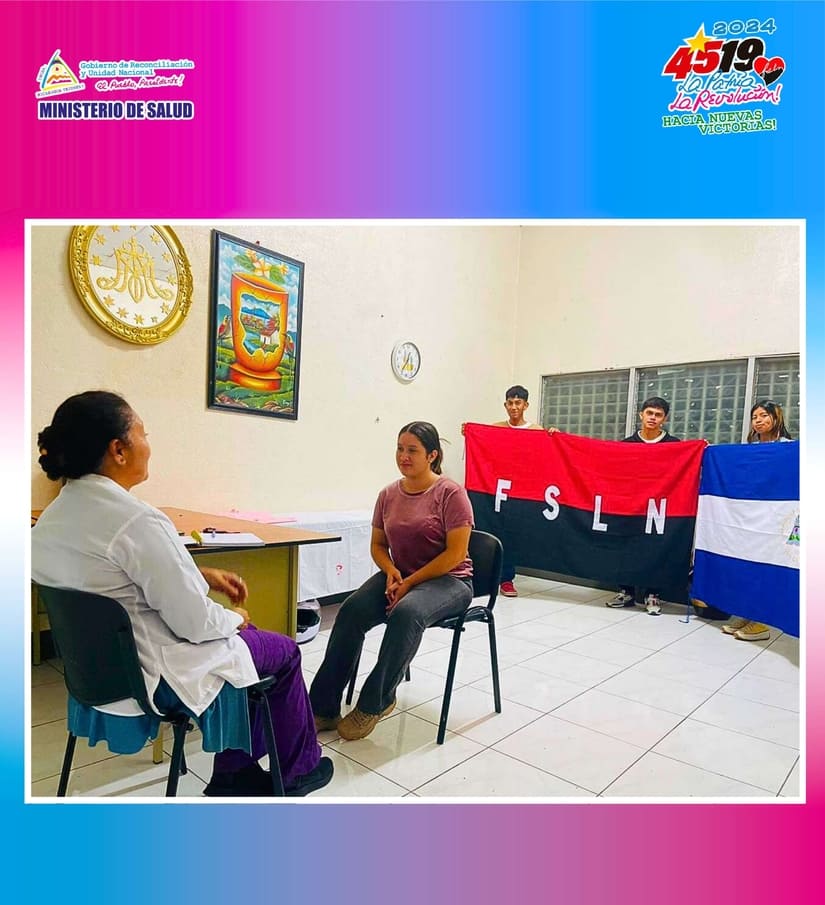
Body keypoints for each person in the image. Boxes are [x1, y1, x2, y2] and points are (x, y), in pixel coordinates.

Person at [31, 391, 333, 797]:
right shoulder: (137, 520)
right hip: (155, 676)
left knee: (248, 648)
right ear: (118, 450)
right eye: (143, 434)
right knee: (282, 650)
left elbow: (110, 580)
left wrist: (195, 573)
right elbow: (196, 624)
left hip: (95, 678)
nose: (148, 444)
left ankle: (238, 771)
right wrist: (235, 617)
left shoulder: (50, 522)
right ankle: (293, 771)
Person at [310, 421, 474, 741]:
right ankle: (323, 707)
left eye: (412, 450)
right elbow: (378, 545)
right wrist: (391, 571)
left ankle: (376, 701)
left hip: (450, 581)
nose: (403, 456)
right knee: (351, 611)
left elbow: (456, 554)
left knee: (406, 613)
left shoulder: (451, 493)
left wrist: (410, 582)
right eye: (400, 449)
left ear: (432, 455)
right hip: (401, 575)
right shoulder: (388, 494)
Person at [462, 385, 556, 597]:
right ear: (505, 405)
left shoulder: (536, 431)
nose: (514, 407)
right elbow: (483, 447)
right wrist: (470, 433)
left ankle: (506, 579)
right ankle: (485, 577)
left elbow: (547, 456)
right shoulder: (496, 428)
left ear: (526, 405)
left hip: (522, 493)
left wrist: (555, 437)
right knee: (490, 529)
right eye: (510, 403)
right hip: (495, 489)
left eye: (518, 403)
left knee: (513, 534)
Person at [721, 399, 793, 642]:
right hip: (751, 518)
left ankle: (762, 622)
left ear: (776, 418)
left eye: (764, 415)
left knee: (769, 567)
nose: (759, 420)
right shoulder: (749, 449)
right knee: (748, 566)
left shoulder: (789, 448)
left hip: (777, 518)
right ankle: (747, 613)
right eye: (755, 417)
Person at [606, 396, 680, 616]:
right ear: (641, 415)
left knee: (656, 548)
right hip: (631, 506)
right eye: (649, 413)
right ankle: (626, 591)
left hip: (659, 508)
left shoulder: (674, 445)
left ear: (664, 419)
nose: (653, 418)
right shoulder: (627, 444)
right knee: (627, 546)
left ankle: (652, 594)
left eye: (658, 415)